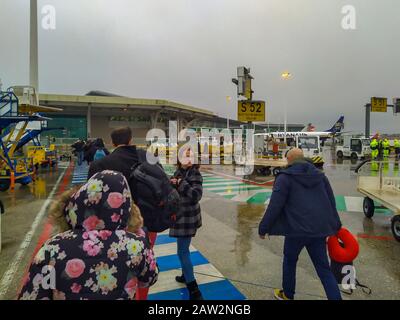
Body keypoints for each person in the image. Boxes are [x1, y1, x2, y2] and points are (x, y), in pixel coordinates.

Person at [19, 171, 158, 300]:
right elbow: (149, 279)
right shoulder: (137, 245)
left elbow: (32, 294)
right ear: (126, 205)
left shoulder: (53, 247)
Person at [259, 148, 342, 301]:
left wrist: (263, 228)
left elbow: (275, 205)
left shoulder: (285, 177)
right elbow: (331, 202)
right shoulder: (320, 176)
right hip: (318, 230)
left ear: (290, 159)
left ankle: (288, 295)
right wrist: (336, 225)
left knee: (290, 262)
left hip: (295, 231)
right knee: (324, 269)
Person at [87, 127, 157, 300]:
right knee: (142, 265)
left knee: (114, 267)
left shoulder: (100, 164)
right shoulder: (148, 158)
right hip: (145, 223)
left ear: (113, 142)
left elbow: (89, 200)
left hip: (111, 228)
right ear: (131, 140)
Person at [170, 148, 204, 300]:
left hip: (187, 218)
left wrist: (180, 183)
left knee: (182, 251)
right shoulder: (179, 171)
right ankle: (185, 274)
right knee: (183, 249)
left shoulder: (194, 173)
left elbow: (196, 195)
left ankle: (193, 289)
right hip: (181, 217)